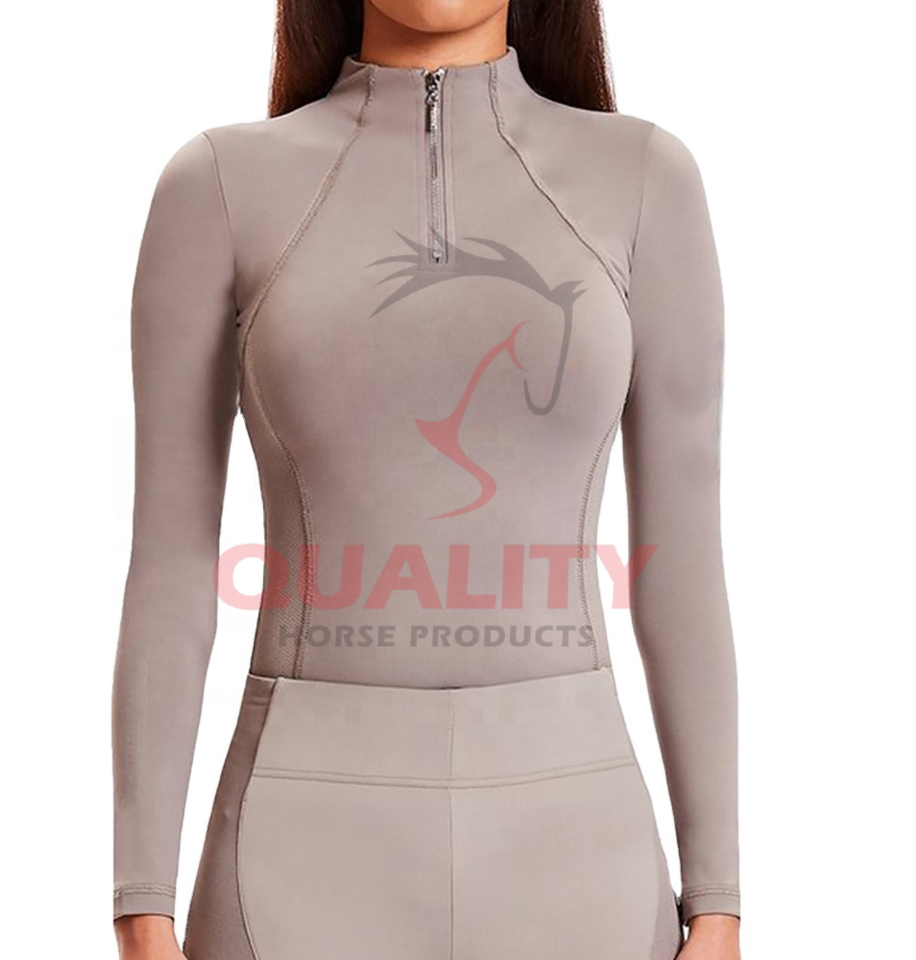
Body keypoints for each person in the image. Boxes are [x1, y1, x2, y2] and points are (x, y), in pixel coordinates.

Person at [111, 2, 742, 959]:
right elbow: (170, 559)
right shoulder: (220, 186)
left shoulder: (646, 180)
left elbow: (681, 560)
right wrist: (142, 908)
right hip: (290, 860)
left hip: (585, 859)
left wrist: (720, 900)